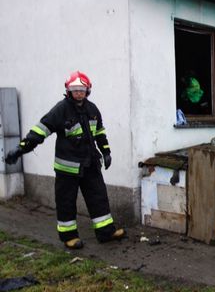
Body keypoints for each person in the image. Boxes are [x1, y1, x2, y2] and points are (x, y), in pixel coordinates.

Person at [5, 71, 125, 249]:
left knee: (99, 198)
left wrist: (106, 152)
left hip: (90, 164)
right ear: (68, 91)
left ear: (88, 90)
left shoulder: (92, 109)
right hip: (67, 168)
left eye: (82, 89)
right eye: (74, 89)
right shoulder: (61, 110)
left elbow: (99, 132)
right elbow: (41, 130)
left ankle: (106, 232)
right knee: (66, 202)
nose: (78, 93)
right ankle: (69, 237)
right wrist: (21, 149)